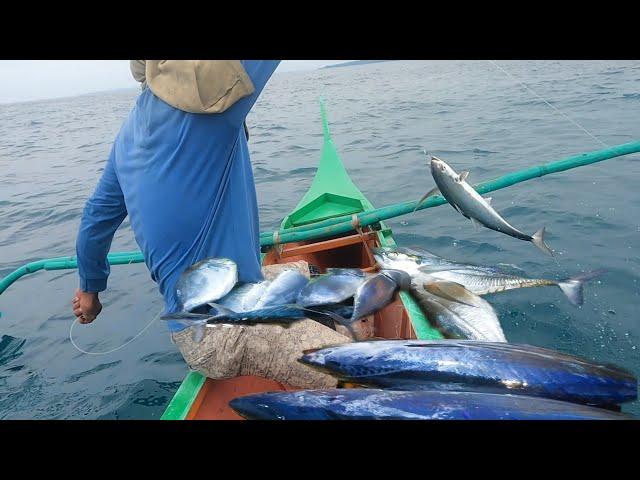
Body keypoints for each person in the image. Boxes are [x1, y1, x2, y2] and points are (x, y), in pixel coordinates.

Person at [72, 60, 349, 388]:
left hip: (196, 327)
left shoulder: (128, 136)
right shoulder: (211, 91)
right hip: (227, 331)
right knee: (379, 375)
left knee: (306, 273)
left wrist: (89, 290)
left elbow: (95, 220)